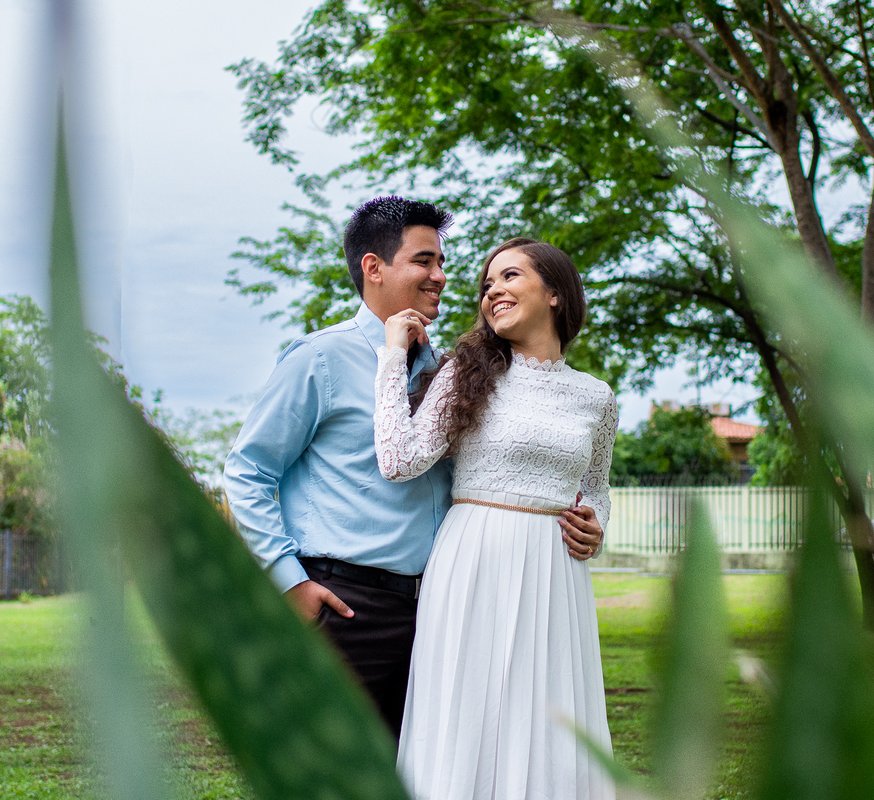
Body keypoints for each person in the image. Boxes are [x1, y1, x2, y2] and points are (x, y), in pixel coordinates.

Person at [223, 199, 607, 737]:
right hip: (344, 604)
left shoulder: (452, 369)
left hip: (439, 608)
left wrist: (588, 519)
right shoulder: (320, 359)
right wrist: (289, 581)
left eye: (442, 263)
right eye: (424, 261)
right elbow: (248, 472)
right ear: (374, 268)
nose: (441, 277)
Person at [374, 238, 618, 800]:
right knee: (468, 714)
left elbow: (597, 490)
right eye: (486, 285)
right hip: (474, 560)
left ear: (554, 293)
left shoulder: (597, 398)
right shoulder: (466, 371)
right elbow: (398, 459)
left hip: (557, 576)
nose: (492, 292)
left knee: (551, 718)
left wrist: (596, 527)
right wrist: (392, 356)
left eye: (509, 277)